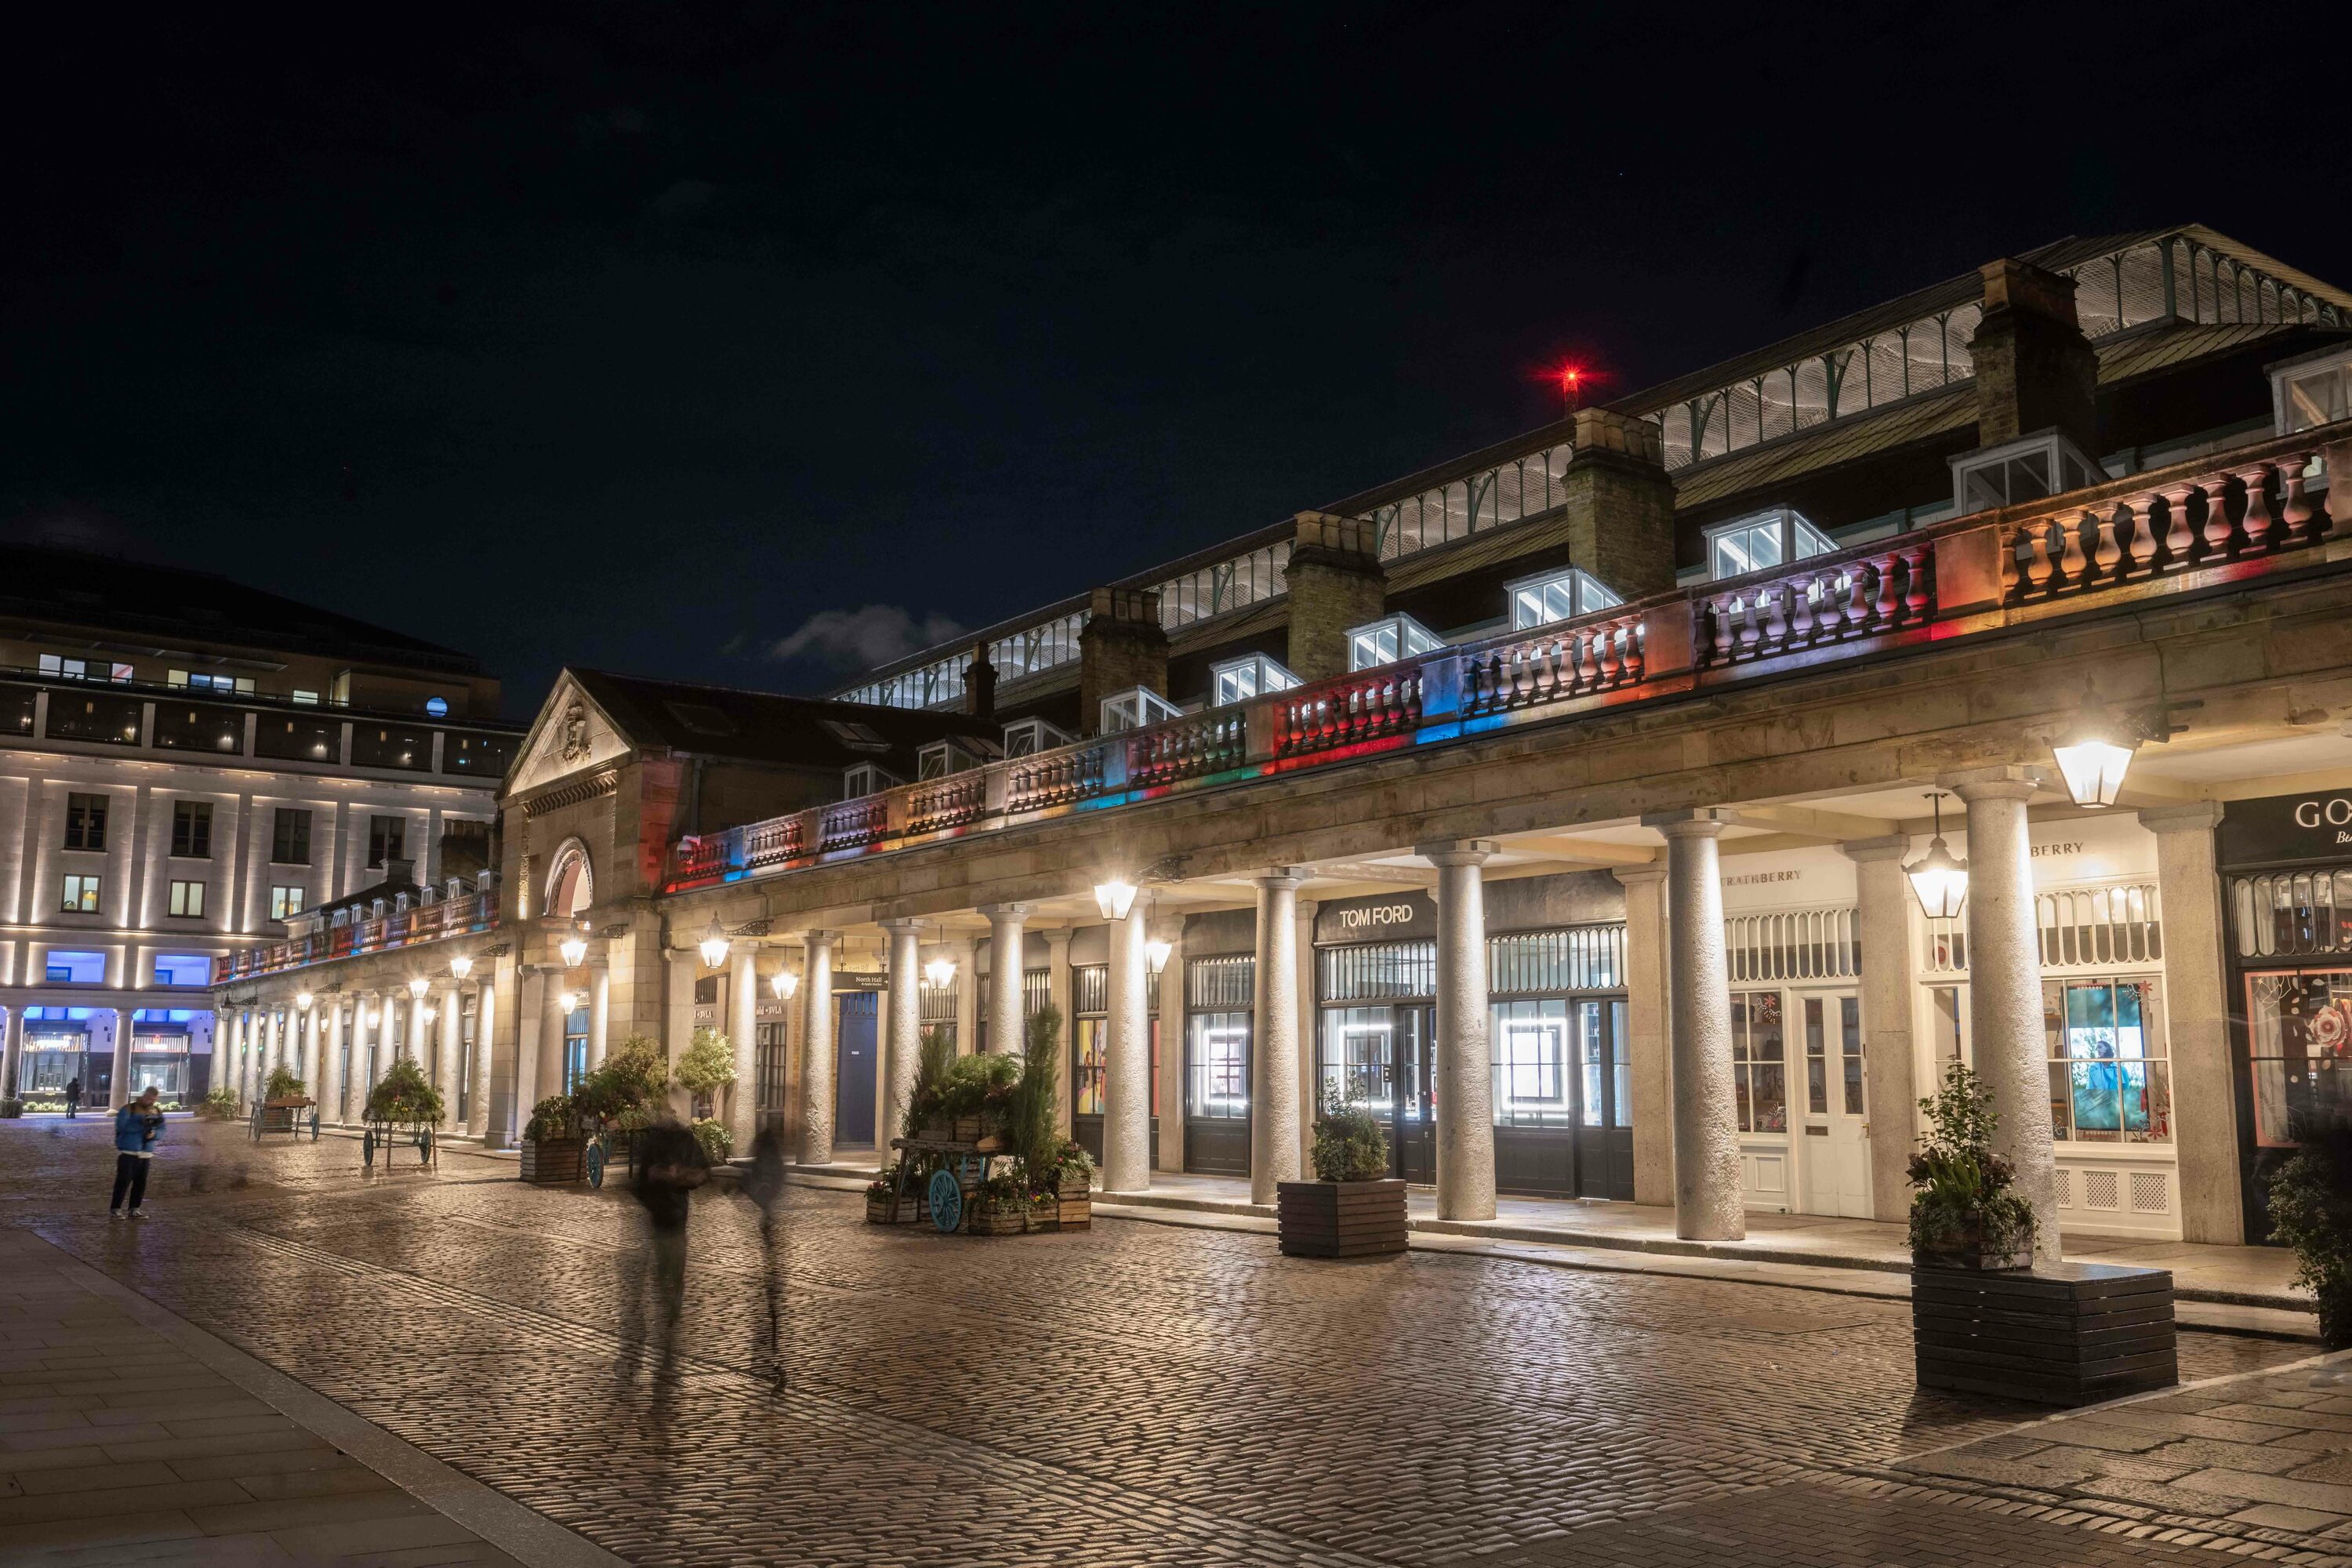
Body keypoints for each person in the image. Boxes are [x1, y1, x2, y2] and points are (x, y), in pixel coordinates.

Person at [617, 1118, 708, 1393]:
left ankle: (668, 1322)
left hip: (673, 1222)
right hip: (657, 1221)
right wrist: (659, 1176)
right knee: (662, 1280)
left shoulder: (682, 1142)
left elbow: (703, 1174)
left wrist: (678, 1177)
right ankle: (662, 1327)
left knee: (669, 1280)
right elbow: (641, 1181)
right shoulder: (656, 1143)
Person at [739, 1125, 789, 1387]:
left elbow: (758, 1190)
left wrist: (742, 1188)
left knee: (771, 1285)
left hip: (770, 1229)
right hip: (771, 1229)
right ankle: (771, 1320)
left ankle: (771, 1342)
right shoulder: (774, 1165)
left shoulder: (766, 1165)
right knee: (771, 1285)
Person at [111, 1087, 164, 1218]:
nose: (151, 1102)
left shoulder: (156, 1111)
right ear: (145, 1095)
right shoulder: (129, 1109)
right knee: (123, 1182)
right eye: (150, 1099)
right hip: (129, 1151)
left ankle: (135, 1209)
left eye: (154, 1100)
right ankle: (115, 1209)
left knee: (140, 1183)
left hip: (146, 1152)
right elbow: (121, 1126)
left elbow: (163, 1128)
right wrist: (141, 1126)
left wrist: (154, 1134)